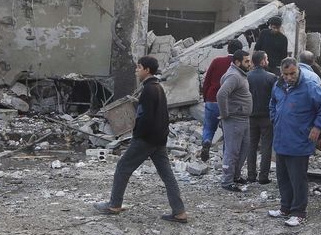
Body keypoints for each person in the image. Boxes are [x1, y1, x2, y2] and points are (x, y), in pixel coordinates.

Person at [94, 56, 187, 223]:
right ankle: (179, 212)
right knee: (167, 175)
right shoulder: (157, 88)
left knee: (123, 167)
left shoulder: (149, 90)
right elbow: (163, 117)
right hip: (159, 140)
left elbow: (146, 118)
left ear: (147, 70)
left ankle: (114, 205)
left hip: (147, 140)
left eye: (139, 67)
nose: (136, 70)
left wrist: (137, 135)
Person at [269, 57, 321, 226]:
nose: (289, 77)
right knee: (283, 176)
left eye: (293, 73)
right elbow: (272, 103)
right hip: (281, 139)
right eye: (286, 74)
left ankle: (299, 212)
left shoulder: (309, 87)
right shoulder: (278, 86)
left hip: (299, 141)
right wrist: (275, 118)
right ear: (281, 73)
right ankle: (285, 207)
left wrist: (317, 127)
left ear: (298, 70)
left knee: (297, 178)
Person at [200, 39, 243, 162]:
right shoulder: (238, 66)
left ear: (228, 48)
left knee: (208, 126)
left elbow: (207, 81)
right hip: (230, 103)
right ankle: (226, 159)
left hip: (212, 99)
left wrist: (205, 97)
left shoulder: (217, 61)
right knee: (227, 133)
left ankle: (207, 140)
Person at [217, 50, 253, 192]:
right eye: (246, 61)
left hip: (243, 119)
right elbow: (221, 94)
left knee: (243, 149)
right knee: (232, 151)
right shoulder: (234, 76)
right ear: (238, 62)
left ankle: (235, 176)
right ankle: (227, 182)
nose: (249, 64)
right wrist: (225, 114)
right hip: (235, 120)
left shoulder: (239, 75)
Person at [246, 51, 276, 184]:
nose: (268, 61)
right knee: (266, 146)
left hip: (251, 116)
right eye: (267, 59)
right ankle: (263, 176)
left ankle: (251, 175)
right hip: (267, 117)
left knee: (251, 146)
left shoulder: (246, 77)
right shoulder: (272, 77)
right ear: (263, 61)